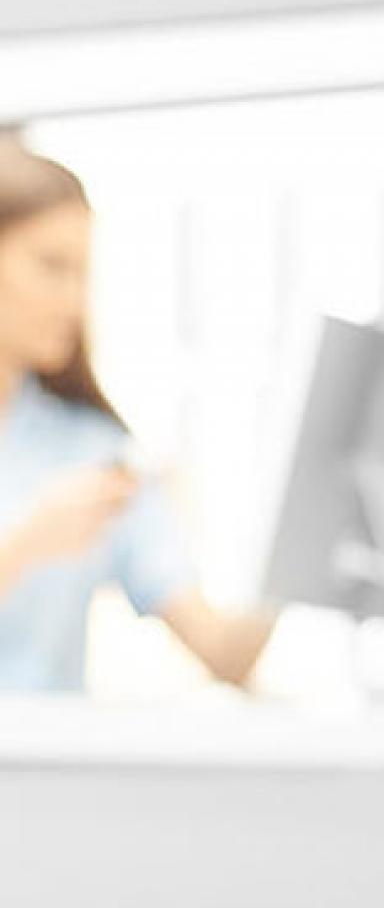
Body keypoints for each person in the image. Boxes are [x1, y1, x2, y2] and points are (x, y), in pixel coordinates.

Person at [0, 145, 275, 691]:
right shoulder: (64, 498)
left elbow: (222, 653)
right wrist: (26, 545)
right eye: (51, 267)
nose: (74, 302)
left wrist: (295, 543)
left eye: (83, 273)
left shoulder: (95, 455)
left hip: (47, 772)